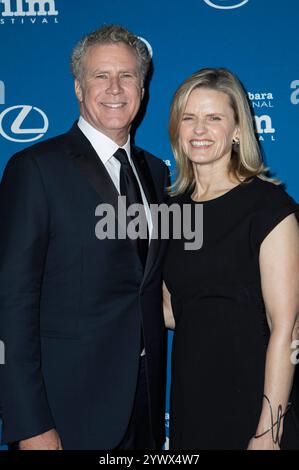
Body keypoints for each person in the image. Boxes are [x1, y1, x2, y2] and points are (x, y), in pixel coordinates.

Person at [0, 25, 169, 450]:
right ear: (78, 87)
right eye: (100, 75)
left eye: (127, 76)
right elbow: (12, 302)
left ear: (143, 88)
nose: (115, 88)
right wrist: (29, 424)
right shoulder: (36, 168)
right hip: (67, 411)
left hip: (145, 404)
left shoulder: (156, 172)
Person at [163, 67, 299, 450]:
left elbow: (286, 327)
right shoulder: (171, 211)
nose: (199, 129)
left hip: (256, 405)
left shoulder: (269, 208)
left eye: (214, 118)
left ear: (239, 130)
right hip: (193, 402)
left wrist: (267, 433)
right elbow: (174, 310)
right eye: (188, 118)